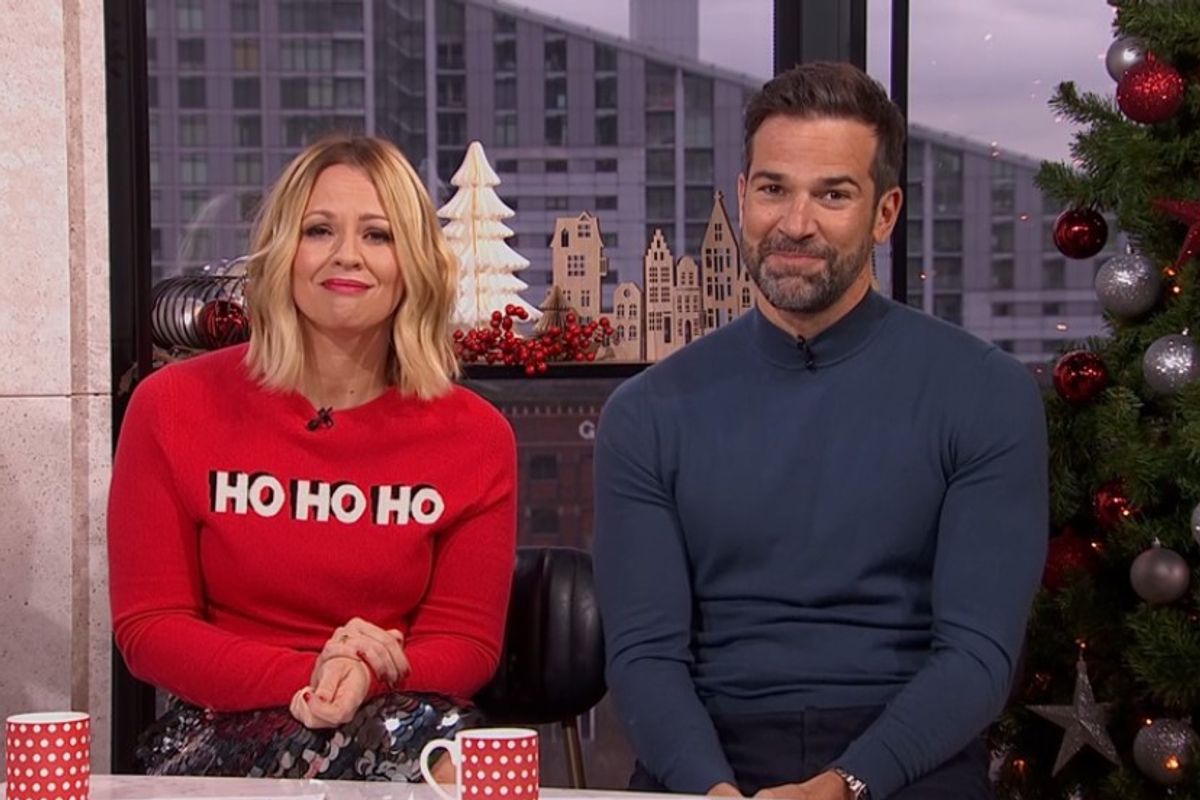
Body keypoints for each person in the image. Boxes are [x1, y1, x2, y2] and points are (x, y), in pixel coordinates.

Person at [593, 62, 1047, 800]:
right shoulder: (646, 413)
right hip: (706, 760)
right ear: (743, 195)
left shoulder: (985, 394)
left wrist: (844, 784)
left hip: (908, 758)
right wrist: (712, 790)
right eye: (774, 189)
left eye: (833, 194)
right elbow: (645, 656)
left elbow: (978, 656)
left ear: (885, 213)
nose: (795, 223)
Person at [108, 135, 518, 779]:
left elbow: (466, 641)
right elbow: (150, 627)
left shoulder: (476, 437)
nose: (346, 255)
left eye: (378, 235)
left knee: (455, 757)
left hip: (394, 711)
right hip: (218, 724)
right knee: (435, 762)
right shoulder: (171, 407)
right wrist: (313, 673)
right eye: (319, 230)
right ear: (283, 252)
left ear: (414, 262)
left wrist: (367, 674)